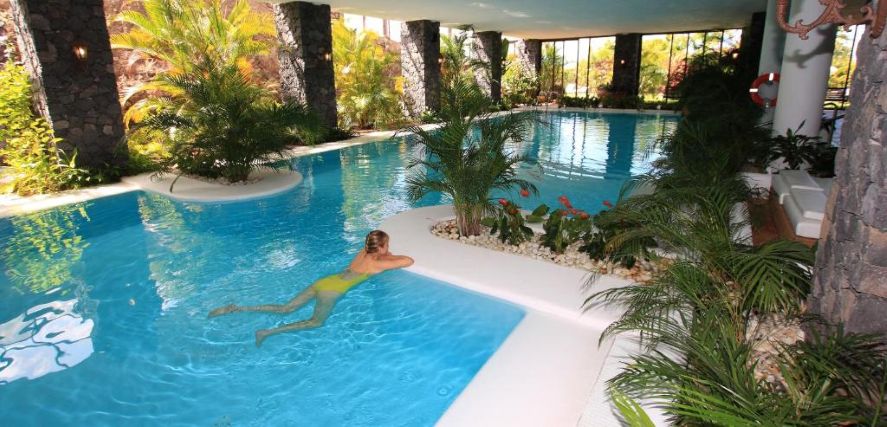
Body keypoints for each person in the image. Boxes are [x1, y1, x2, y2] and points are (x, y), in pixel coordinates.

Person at [208, 230, 414, 347]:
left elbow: (377, 255)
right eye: (387, 244)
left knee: (285, 308)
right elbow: (408, 260)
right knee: (316, 322)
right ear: (381, 247)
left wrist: (383, 253)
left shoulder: (363, 252)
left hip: (325, 282)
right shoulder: (377, 264)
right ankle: (267, 332)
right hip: (332, 292)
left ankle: (237, 308)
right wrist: (389, 255)